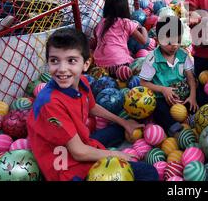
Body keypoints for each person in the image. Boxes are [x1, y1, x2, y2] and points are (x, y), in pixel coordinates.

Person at [26, 28, 158, 181]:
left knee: (119, 129)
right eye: (54, 60)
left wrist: (124, 122)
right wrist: (117, 155)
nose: (62, 69)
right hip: (65, 166)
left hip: (81, 142)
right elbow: (79, 153)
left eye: (71, 61)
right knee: (149, 173)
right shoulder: (50, 104)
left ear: (86, 64)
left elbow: (92, 107)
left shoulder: (81, 82)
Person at [139, 16, 198, 136]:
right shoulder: (152, 59)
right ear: (158, 40)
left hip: (183, 95)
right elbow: (143, 83)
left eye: (178, 40)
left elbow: (190, 77)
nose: (174, 46)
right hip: (163, 98)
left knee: (200, 94)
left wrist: (192, 96)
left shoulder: (183, 54)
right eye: (169, 42)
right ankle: (174, 129)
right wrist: (163, 90)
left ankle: (196, 118)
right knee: (157, 108)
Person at [93, 0, 148, 77]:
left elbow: (97, 39)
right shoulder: (126, 22)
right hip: (120, 64)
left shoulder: (101, 23)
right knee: (144, 63)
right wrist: (143, 29)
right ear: (125, 10)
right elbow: (144, 41)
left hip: (99, 67)